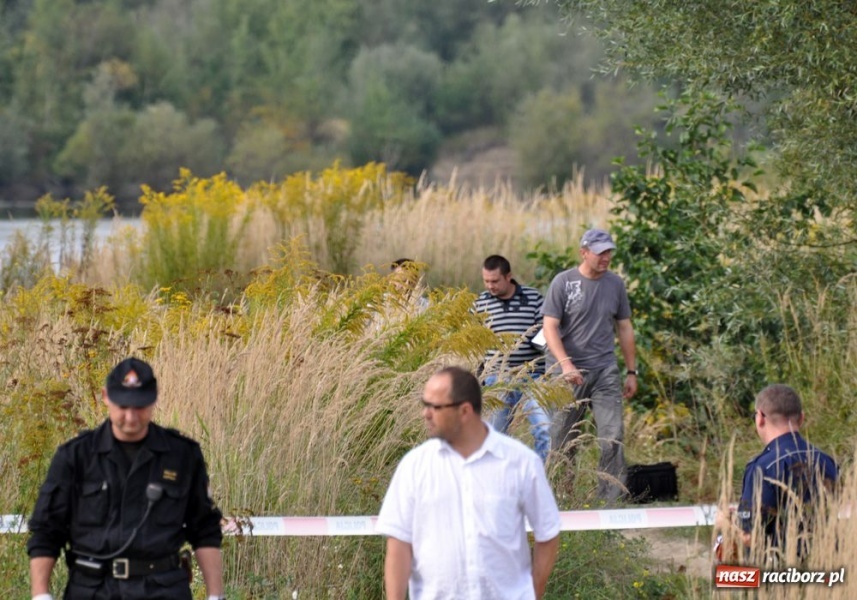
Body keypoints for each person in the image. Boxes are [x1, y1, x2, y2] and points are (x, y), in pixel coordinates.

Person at [27, 357, 225, 600]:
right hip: (93, 590)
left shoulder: (182, 455)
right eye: (123, 407)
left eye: (139, 407)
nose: (131, 417)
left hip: (162, 590)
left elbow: (204, 528)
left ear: (154, 398)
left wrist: (216, 595)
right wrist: (41, 595)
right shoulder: (76, 457)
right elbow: (47, 530)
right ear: (106, 396)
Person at [376, 366, 561, 600]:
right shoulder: (414, 466)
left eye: (435, 406)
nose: (426, 414)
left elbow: (548, 532)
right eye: (425, 404)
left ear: (464, 410)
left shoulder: (521, 463)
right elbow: (399, 543)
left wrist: (533, 592)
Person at [542, 228, 637, 503]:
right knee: (562, 437)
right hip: (566, 373)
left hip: (605, 370)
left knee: (613, 435)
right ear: (584, 252)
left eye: (609, 251)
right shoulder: (563, 282)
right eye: (600, 252)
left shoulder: (615, 284)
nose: (606, 257)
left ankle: (609, 501)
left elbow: (625, 326)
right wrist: (565, 364)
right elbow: (549, 327)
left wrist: (632, 371)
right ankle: (561, 496)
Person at [728, 384, 837, 559]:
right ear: (801, 418)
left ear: (760, 418)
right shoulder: (827, 461)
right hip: (829, 569)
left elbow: (750, 536)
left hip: (780, 575)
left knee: (724, 574)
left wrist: (725, 524)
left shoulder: (762, 467)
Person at [474, 254, 550, 462]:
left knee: (545, 430)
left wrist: (533, 344)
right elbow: (473, 339)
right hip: (497, 378)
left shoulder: (533, 298)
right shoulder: (480, 303)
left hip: (533, 376)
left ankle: (541, 478)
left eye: (495, 281)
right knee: (495, 436)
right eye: (486, 281)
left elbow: (545, 334)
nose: (490, 286)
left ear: (509, 277)